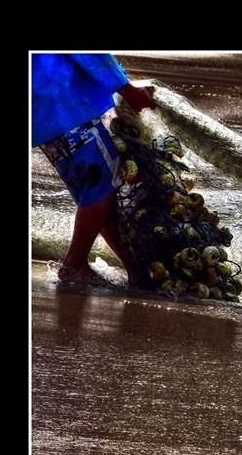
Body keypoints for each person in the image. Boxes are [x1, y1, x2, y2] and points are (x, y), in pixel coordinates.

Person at [32, 53, 154, 285]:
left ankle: (135, 269)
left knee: (95, 191)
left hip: (45, 112)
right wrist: (127, 89)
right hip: (65, 105)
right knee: (104, 185)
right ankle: (73, 265)